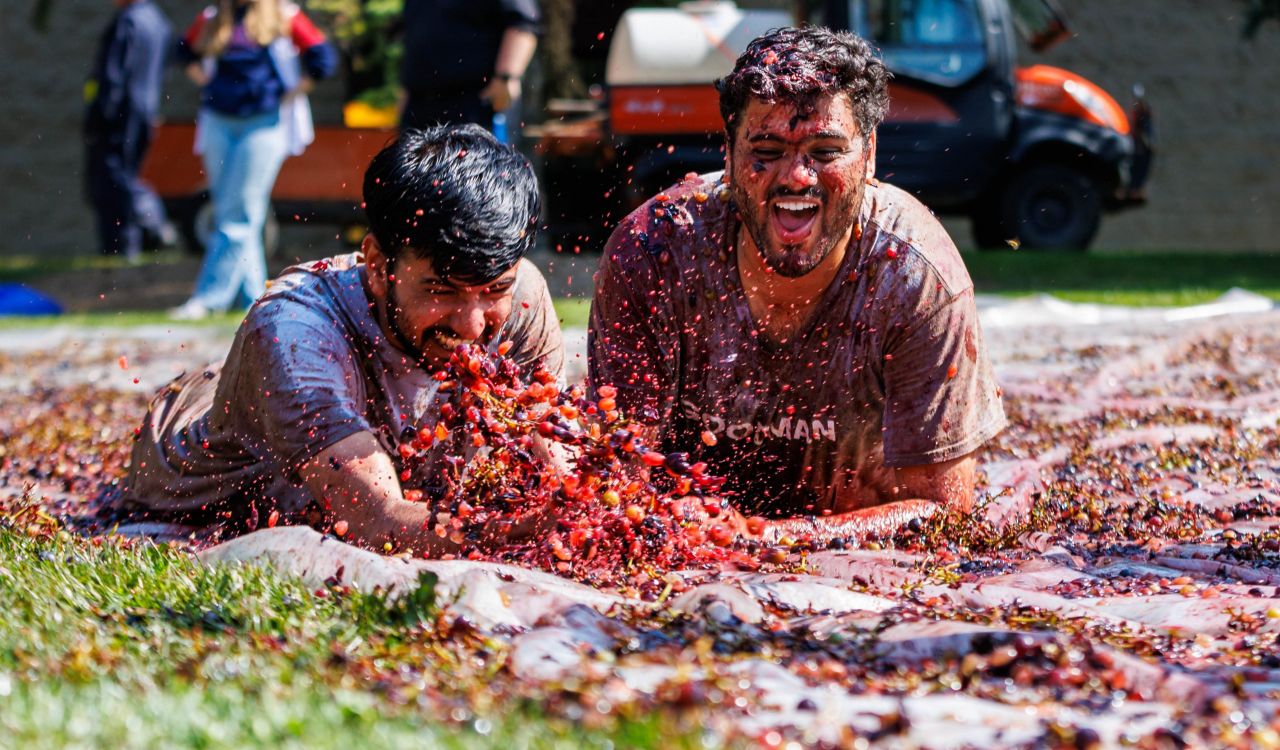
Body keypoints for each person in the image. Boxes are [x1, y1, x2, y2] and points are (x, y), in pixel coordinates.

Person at [588, 27, 1006, 543]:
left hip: (851, 563)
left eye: (826, 150)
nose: (797, 177)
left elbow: (946, 512)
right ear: (729, 153)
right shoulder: (654, 254)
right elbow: (614, 489)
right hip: (690, 542)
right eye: (766, 148)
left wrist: (769, 535)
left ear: (869, 155)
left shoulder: (914, 277)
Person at [122, 125, 565, 555]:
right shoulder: (294, 335)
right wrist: (518, 532)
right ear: (376, 264)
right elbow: (378, 521)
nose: (471, 327)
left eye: (493, 290)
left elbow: (551, 441)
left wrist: (582, 499)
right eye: (440, 290)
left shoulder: (521, 292)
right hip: (197, 461)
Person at [167, 0, 337, 320]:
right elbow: (182, 51)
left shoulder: (284, 15)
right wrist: (206, 83)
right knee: (244, 212)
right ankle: (257, 299)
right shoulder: (215, 17)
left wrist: (293, 92)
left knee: (237, 214)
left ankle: (208, 298)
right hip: (219, 120)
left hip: (263, 122)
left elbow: (322, 58)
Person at [83, 0, 173, 260]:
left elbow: (112, 76)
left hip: (119, 115)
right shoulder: (159, 22)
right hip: (145, 110)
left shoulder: (128, 21)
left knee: (112, 179)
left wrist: (97, 116)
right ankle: (141, 235)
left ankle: (146, 226)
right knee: (127, 173)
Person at [398, 0, 540, 133]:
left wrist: (506, 77)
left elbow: (522, 24)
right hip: (419, 104)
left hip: (474, 102)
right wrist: (406, 91)